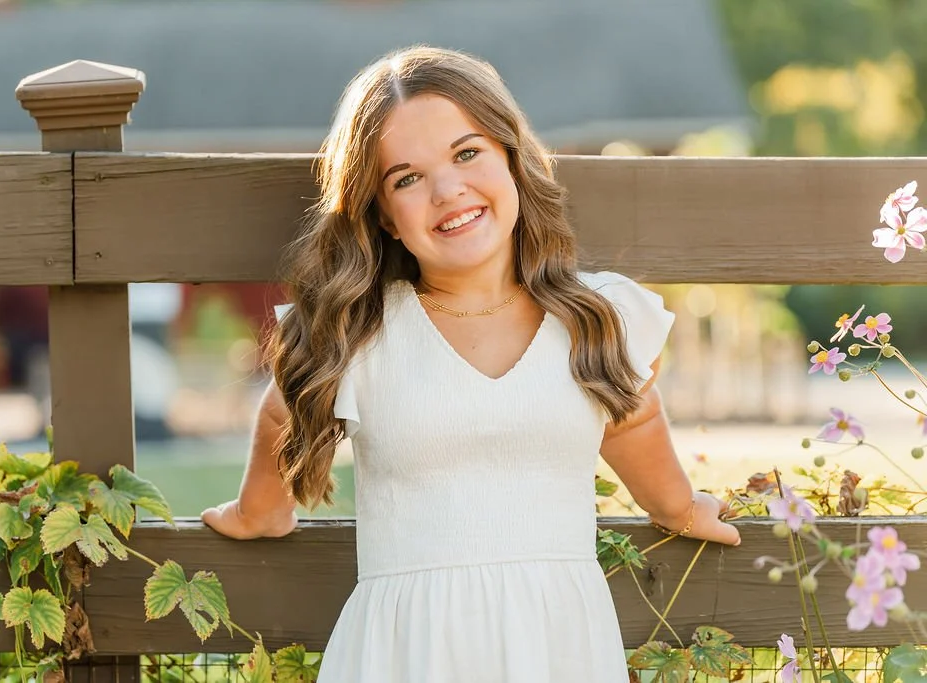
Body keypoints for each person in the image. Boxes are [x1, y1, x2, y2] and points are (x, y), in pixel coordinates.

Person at [201, 45, 742, 682]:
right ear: (384, 217)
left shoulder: (593, 318)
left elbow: (633, 420)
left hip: (557, 642)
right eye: (406, 178)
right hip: (406, 649)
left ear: (511, 158)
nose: (447, 189)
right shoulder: (360, 334)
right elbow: (281, 418)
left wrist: (678, 506)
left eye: (466, 154)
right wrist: (259, 511)